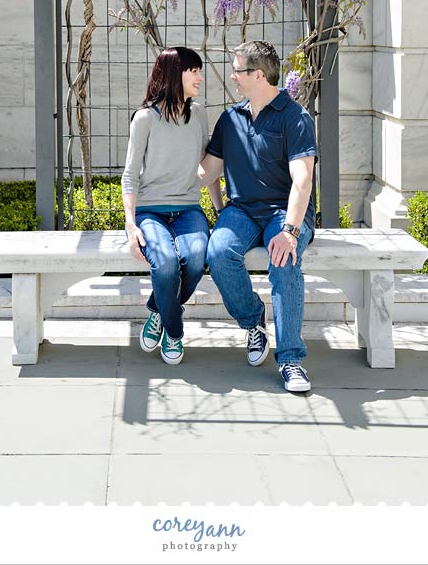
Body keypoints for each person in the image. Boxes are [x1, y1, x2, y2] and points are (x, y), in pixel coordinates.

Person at [199, 40, 317, 393]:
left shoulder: (295, 117)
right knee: (218, 253)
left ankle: (291, 359)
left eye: (238, 70)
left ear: (259, 75)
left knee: (284, 260)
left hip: (285, 211)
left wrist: (291, 231)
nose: (232, 76)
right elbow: (207, 172)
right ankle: (253, 322)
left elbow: (303, 179)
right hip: (242, 210)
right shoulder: (230, 119)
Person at [122, 47, 220, 365]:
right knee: (164, 264)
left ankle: (157, 311)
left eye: (200, 71)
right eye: (194, 71)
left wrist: (218, 211)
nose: (200, 77)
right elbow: (130, 175)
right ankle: (175, 332)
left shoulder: (199, 113)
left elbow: (209, 164)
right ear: (175, 73)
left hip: (189, 210)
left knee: (194, 260)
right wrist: (131, 225)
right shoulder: (146, 118)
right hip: (151, 210)